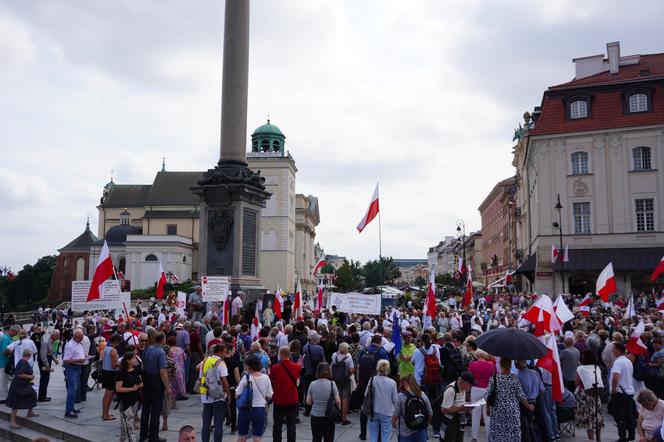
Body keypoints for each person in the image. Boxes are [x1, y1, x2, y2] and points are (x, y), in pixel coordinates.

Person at [485, 357, 534, 442]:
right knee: (512, 435)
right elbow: (521, 396)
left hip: (498, 410)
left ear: (500, 365)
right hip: (512, 411)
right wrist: (529, 406)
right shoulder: (514, 378)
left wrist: (487, 409)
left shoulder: (494, 378)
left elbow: (487, 396)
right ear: (510, 366)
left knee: (497, 433)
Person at [140, 331, 171, 442]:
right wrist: (167, 387)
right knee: (156, 410)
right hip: (156, 381)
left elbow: (143, 366)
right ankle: (153, 436)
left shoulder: (147, 349)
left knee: (146, 409)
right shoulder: (161, 352)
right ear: (163, 339)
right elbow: (162, 371)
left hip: (147, 379)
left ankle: (143, 435)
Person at [235, 355, 273, 442]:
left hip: (245, 408)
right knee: (257, 437)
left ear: (249, 366)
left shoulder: (246, 377)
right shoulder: (266, 377)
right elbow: (270, 395)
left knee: (242, 436)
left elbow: (237, 393)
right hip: (260, 409)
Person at [269, 346, 302, 442]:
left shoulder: (275, 367)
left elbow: (271, 379)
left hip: (279, 398)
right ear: (289, 354)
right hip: (292, 398)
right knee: (291, 424)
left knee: (277, 424)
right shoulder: (297, 367)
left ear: (281, 354)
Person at [199, 344, 230, 442]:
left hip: (205, 394)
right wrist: (228, 394)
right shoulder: (221, 363)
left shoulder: (204, 361)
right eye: (225, 352)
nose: (226, 354)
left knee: (206, 424)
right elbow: (224, 381)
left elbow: (200, 377)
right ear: (219, 352)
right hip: (217, 396)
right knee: (218, 424)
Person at [306, 362, 341, 442]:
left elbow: (308, 402)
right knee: (329, 438)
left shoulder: (312, 384)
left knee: (316, 438)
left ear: (318, 371)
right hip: (329, 416)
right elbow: (338, 401)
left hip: (316, 415)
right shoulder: (332, 384)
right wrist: (338, 411)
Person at [392, 374, 432, 442]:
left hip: (405, 433)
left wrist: (393, 424)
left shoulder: (401, 396)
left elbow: (395, 415)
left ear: (405, 383)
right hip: (421, 431)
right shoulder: (422, 394)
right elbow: (430, 412)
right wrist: (422, 422)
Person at [574, 349, 604, 440]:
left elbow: (577, 382)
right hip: (595, 393)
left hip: (584, 394)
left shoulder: (580, 368)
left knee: (588, 418)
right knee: (596, 415)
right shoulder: (596, 367)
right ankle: (598, 437)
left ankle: (591, 438)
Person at [366, 359, 398, 442]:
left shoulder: (372, 380)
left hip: (373, 411)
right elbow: (395, 399)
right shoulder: (392, 383)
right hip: (387, 412)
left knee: (373, 435)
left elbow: (366, 395)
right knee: (386, 436)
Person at [6, 348, 38, 429]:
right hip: (19, 385)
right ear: (29, 355)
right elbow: (20, 374)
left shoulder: (23, 361)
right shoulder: (23, 362)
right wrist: (30, 376)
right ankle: (12, 422)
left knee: (33, 394)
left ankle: (30, 412)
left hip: (24, 384)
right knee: (16, 403)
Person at [610, 342, 636, 442]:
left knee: (619, 415)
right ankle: (631, 436)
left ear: (617, 349)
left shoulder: (618, 362)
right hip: (629, 391)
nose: (612, 351)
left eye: (613, 349)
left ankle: (622, 437)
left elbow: (615, 378)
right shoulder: (628, 361)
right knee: (629, 415)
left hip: (620, 392)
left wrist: (613, 390)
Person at [115, 351, 143, 442]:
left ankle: (123, 439)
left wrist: (140, 385)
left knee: (128, 421)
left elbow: (140, 381)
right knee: (129, 421)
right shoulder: (121, 373)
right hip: (125, 400)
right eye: (134, 358)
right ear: (128, 360)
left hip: (135, 399)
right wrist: (131, 389)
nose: (135, 360)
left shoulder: (136, 369)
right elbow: (118, 389)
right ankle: (132, 439)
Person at [440, 372, 474, 442]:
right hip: (450, 422)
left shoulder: (463, 388)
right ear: (464, 383)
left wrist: (468, 405)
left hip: (460, 420)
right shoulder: (451, 390)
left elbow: (459, 402)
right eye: (470, 385)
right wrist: (460, 408)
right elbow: (443, 409)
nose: (471, 387)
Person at [468, 350, 493, 442]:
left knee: (475, 414)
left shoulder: (472, 364)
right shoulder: (490, 364)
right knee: (487, 415)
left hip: (475, 389)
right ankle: (489, 437)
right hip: (487, 389)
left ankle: (474, 437)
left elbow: (469, 377)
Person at [63, 328, 86, 419]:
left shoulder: (77, 343)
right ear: (76, 337)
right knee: (71, 391)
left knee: (75, 390)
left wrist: (83, 358)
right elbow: (65, 360)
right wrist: (79, 360)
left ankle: (71, 407)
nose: (82, 340)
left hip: (78, 368)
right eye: (80, 338)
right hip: (72, 369)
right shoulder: (70, 345)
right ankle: (68, 411)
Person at [331, 341, 354, 425]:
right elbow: (351, 370)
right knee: (345, 399)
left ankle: (337, 415)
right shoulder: (348, 358)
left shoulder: (334, 356)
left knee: (338, 397)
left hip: (336, 379)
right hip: (345, 380)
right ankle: (344, 418)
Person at [302, 333, 325, 417]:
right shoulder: (319, 349)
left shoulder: (305, 347)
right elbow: (323, 361)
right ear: (315, 340)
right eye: (318, 339)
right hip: (316, 372)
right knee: (317, 390)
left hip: (307, 371)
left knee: (308, 390)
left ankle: (307, 409)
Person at [101, 334, 120, 421]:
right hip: (111, 373)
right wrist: (120, 363)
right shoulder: (113, 350)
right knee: (110, 395)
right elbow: (114, 366)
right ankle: (106, 414)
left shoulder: (106, 349)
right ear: (116, 342)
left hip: (105, 371)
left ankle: (104, 412)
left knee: (106, 394)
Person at [37, 328, 59, 402]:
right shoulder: (45, 342)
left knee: (46, 379)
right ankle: (41, 397)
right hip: (44, 363)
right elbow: (43, 355)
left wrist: (54, 359)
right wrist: (47, 365)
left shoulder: (51, 342)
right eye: (58, 336)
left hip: (47, 361)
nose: (58, 337)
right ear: (53, 335)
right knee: (44, 379)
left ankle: (44, 395)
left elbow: (49, 353)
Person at [166, 335, 188, 401]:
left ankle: (174, 394)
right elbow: (185, 357)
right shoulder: (180, 349)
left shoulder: (169, 350)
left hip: (173, 367)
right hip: (181, 367)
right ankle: (181, 394)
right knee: (181, 381)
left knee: (173, 381)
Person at [0, 325, 18, 403]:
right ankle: (3, 397)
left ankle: (4, 396)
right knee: (4, 380)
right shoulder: (5, 338)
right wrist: (14, 352)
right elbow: (4, 351)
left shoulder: (8, 338)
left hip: (6, 363)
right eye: (16, 333)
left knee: (5, 380)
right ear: (12, 331)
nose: (16, 335)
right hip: (4, 363)